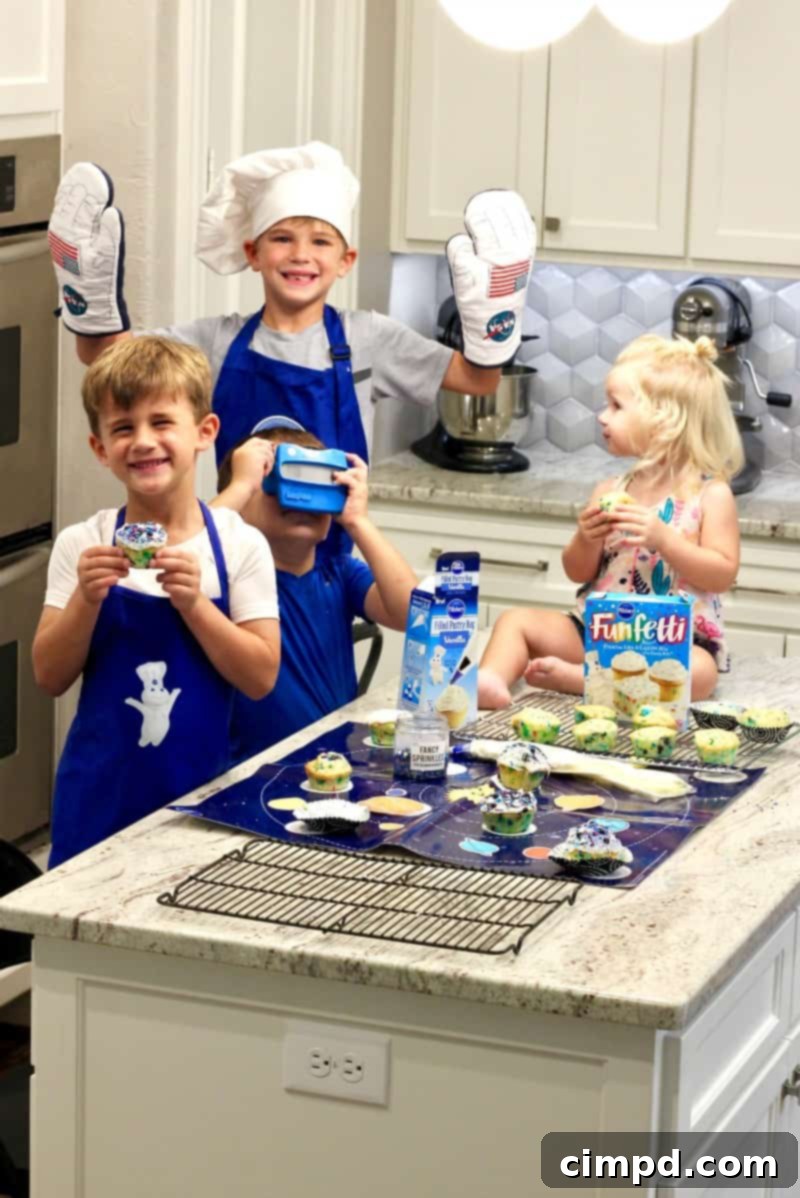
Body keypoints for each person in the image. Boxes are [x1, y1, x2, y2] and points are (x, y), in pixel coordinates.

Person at [47, 144, 536, 496]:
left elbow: (477, 379)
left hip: (330, 560)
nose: (300, 255)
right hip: (234, 555)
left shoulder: (369, 338)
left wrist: (491, 323)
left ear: (345, 260)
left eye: (321, 242)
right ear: (252, 253)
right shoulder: (217, 342)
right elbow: (106, 359)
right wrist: (91, 312)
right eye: (282, 238)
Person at [32, 337, 281, 867]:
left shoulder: (239, 545)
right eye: (123, 428)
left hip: (201, 803)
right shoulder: (84, 543)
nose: (143, 441)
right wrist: (86, 598)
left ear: (203, 433)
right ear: (100, 448)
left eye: (162, 422)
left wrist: (195, 605)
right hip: (96, 802)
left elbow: (261, 676)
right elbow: (48, 676)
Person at [478, 334, 743, 708]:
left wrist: (664, 540)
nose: (603, 416)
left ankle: (584, 681)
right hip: (596, 631)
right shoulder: (611, 489)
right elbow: (576, 571)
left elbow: (721, 574)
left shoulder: (710, 496)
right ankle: (489, 679)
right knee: (515, 621)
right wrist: (585, 538)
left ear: (665, 420)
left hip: (669, 641)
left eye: (616, 406)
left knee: (701, 674)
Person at [214, 417, 417, 763]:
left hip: (333, 767)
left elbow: (415, 616)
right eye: (275, 476)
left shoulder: (339, 573)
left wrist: (358, 521)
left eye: (320, 484)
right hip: (248, 772)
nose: (303, 499)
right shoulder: (223, 581)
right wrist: (240, 487)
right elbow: (188, 547)